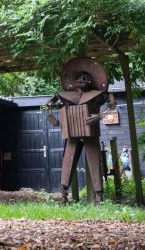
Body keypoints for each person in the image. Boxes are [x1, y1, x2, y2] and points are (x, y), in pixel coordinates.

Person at [46, 57, 114, 204]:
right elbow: (46, 106)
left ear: (91, 80)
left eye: (86, 77)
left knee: (94, 161)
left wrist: (99, 117)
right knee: (68, 161)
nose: (82, 79)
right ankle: (63, 195)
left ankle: (99, 196)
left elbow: (112, 106)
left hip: (91, 131)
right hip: (71, 133)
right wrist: (50, 117)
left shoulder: (99, 94)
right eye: (79, 77)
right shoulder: (63, 95)